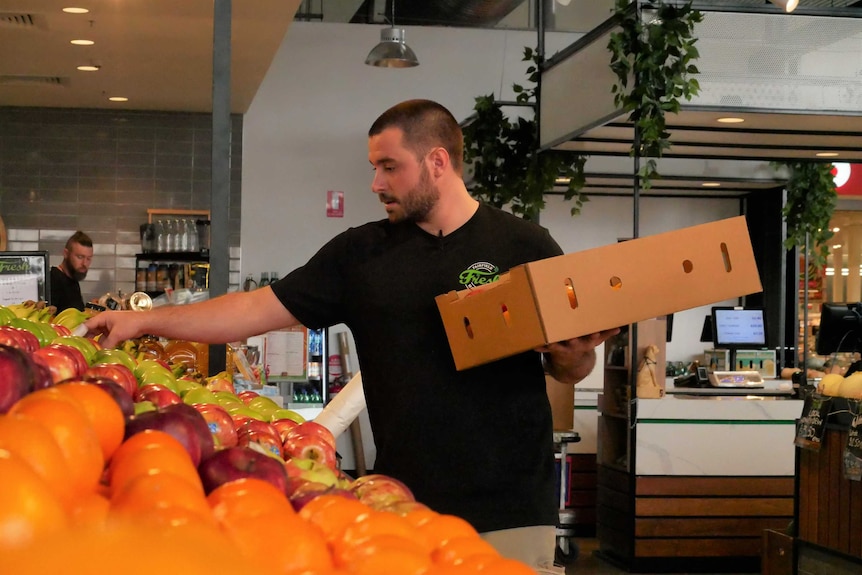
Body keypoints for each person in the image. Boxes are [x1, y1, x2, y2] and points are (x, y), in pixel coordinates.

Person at [83, 99, 618, 571]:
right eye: (374, 168)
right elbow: (253, 309)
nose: (376, 184)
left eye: (390, 167)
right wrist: (143, 319)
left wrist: (574, 358)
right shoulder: (360, 254)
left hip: (513, 510)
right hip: (400, 506)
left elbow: (569, 367)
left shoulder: (525, 244)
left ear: (437, 161)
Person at [50, 230, 93, 312]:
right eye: (80, 257)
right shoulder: (53, 280)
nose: (84, 263)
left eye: (88, 258)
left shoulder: (73, 279)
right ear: (66, 254)